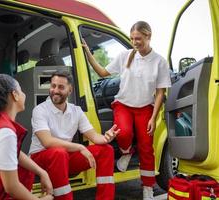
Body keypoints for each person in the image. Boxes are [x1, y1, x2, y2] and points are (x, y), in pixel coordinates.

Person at [82, 21, 171, 200]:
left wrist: (153, 118)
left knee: (147, 148)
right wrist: (87, 53)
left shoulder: (159, 62)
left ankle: (148, 188)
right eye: (131, 38)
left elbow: (161, 92)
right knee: (123, 133)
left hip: (146, 108)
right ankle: (127, 151)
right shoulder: (125, 56)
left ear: (148, 36)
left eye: (138, 38)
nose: (134, 42)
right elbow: (102, 73)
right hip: (123, 105)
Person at [28, 71, 119, 200]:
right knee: (59, 153)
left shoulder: (76, 111)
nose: (55, 90)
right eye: (53, 86)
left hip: (64, 157)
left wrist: (105, 138)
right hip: (40, 159)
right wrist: (80, 147)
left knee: (106, 150)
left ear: (70, 90)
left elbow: (93, 136)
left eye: (61, 87)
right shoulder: (40, 110)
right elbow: (47, 142)